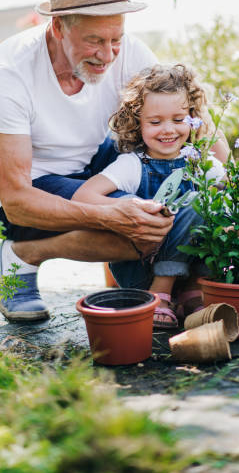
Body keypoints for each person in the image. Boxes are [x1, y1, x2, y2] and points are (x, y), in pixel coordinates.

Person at [0, 0, 178, 322]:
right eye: (94, 41)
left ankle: (162, 286)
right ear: (58, 26)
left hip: (89, 168)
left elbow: (188, 114)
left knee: (166, 203)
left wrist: (237, 177)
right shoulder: (7, 74)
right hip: (22, 194)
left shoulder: (125, 50)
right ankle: (22, 255)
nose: (108, 54)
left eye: (116, 39)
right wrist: (111, 215)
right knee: (140, 231)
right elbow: (16, 200)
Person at [73, 64, 227, 328]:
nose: (168, 130)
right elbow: (83, 196)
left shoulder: (202, 163)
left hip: (189, 272)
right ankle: (160, 292)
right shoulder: (133, 165)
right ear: (137, 122)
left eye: (178, 120)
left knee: (217, 207)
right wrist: (128, 206)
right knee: (194, 204)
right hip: (139, 270)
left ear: (192, 117)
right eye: (155, 122)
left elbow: (233, 192)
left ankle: (190, 292)